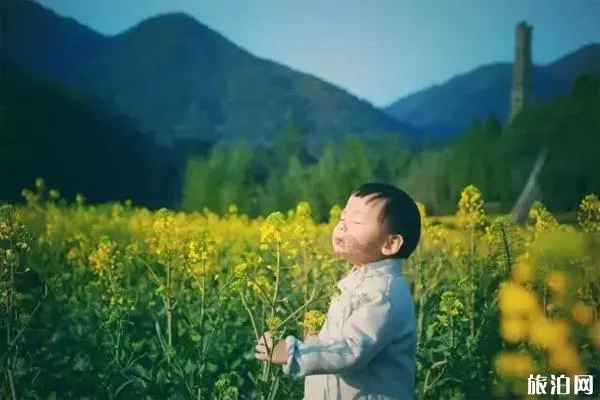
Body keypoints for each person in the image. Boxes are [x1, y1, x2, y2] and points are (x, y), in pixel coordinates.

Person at [255, 182, 421, 399]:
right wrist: (316, 341)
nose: (342, 226)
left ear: (390, 244)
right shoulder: (361, 280)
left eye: (357, 221)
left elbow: (351, 350)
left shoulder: (383, 294)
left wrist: (293, 353)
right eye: (342, 219)